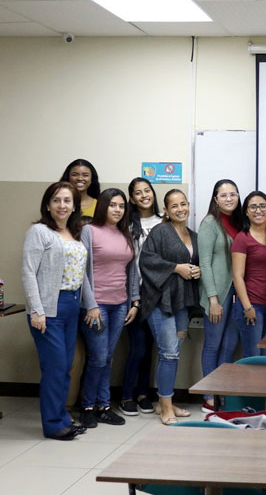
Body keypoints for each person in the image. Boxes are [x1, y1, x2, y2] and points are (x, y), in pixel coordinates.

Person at [22, 182, 87, 440]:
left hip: (72, 305)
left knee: (66, 366)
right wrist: (37, 310)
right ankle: (52, 425)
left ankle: (62, 418)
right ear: (48, 204)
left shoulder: (74, 232)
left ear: (74, 205)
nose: (62, 205)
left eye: (67, 201)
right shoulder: (39, 231)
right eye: (57, 200)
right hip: (49, 307)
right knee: (55, 367)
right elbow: (28, 271)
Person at [78, 189, 139, 428]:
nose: (117, 210)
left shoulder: (126, 233)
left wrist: (134, 301)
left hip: (120, 304)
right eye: (112, 205)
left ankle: (103, 406)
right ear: (103, 206)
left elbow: (132, 270)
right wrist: (90, 304)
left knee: (108, 357)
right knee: (98, 358)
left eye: (121, 206)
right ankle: (87, 407)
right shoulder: (89, 231)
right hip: (96, 305)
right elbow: (80, 271)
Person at [139, 189, 200, 425]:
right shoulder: (160, 231)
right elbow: (147, 260)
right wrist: (176, 268)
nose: (180, 209)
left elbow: (193, 263)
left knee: (174, 353)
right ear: (166, 210)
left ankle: (166, 401)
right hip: (160, 301)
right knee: (169, 352)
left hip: (182, 301)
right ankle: (165, 407)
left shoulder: (192, 235)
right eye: (174, 206)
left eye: (183, 204)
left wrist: (196, 270)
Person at [198, 179, 243, 413]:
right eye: (223, 195)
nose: (229, 199)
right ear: (215, 199)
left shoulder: (239, 222)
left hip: (237, 292)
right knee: (213, 345)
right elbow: (204, 262)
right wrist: (212, 299)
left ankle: (222, 392)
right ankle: (208, 396)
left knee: (230, 344)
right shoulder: (209, 223)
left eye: (233, 194)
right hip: (217, 293)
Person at [59, 158, 100, 410]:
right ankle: (65, 407)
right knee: (69, 355)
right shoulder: (61, 204)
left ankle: (86, 404)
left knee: (94, 354)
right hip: (65, 284)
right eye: (75, 174)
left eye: (85, 174)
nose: (80, 178)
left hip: (95, 284)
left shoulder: (100, 206)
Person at [118, 177, 160, 417]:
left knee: (151, 348)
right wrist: (133, 297)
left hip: (155, 294)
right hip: (132, 293)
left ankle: (144, 393)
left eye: (147, 190)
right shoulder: (126, 224)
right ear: (132, 198)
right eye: (138, 192)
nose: (144, 195)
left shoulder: (163, 221)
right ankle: (126, 395)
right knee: (138, 348)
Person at [231, 191, 266, 358]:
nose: (258, 210)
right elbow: (237, 276)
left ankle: (262, 386)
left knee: (265, 356)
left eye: (262, 206)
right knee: (253, 357)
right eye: (253, 207)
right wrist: (247, 307)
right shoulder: (242, 239)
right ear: (246, 212)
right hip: (251, 305)